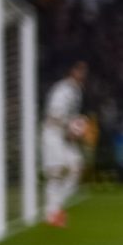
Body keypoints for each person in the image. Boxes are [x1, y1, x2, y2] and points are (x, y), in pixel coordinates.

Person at [40, 60, 87, 228]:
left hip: (63, 136)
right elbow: (53, 117)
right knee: (56, 173)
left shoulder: (77, 91)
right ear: (71, 71)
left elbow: (71, 118)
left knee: (77, 167)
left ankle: (54, 208)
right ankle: (53, 214)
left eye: (84, 71)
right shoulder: (62, 90)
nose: (82, 74)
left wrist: (74, 130)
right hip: (52, 134)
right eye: (79, 70)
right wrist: (71, 128)